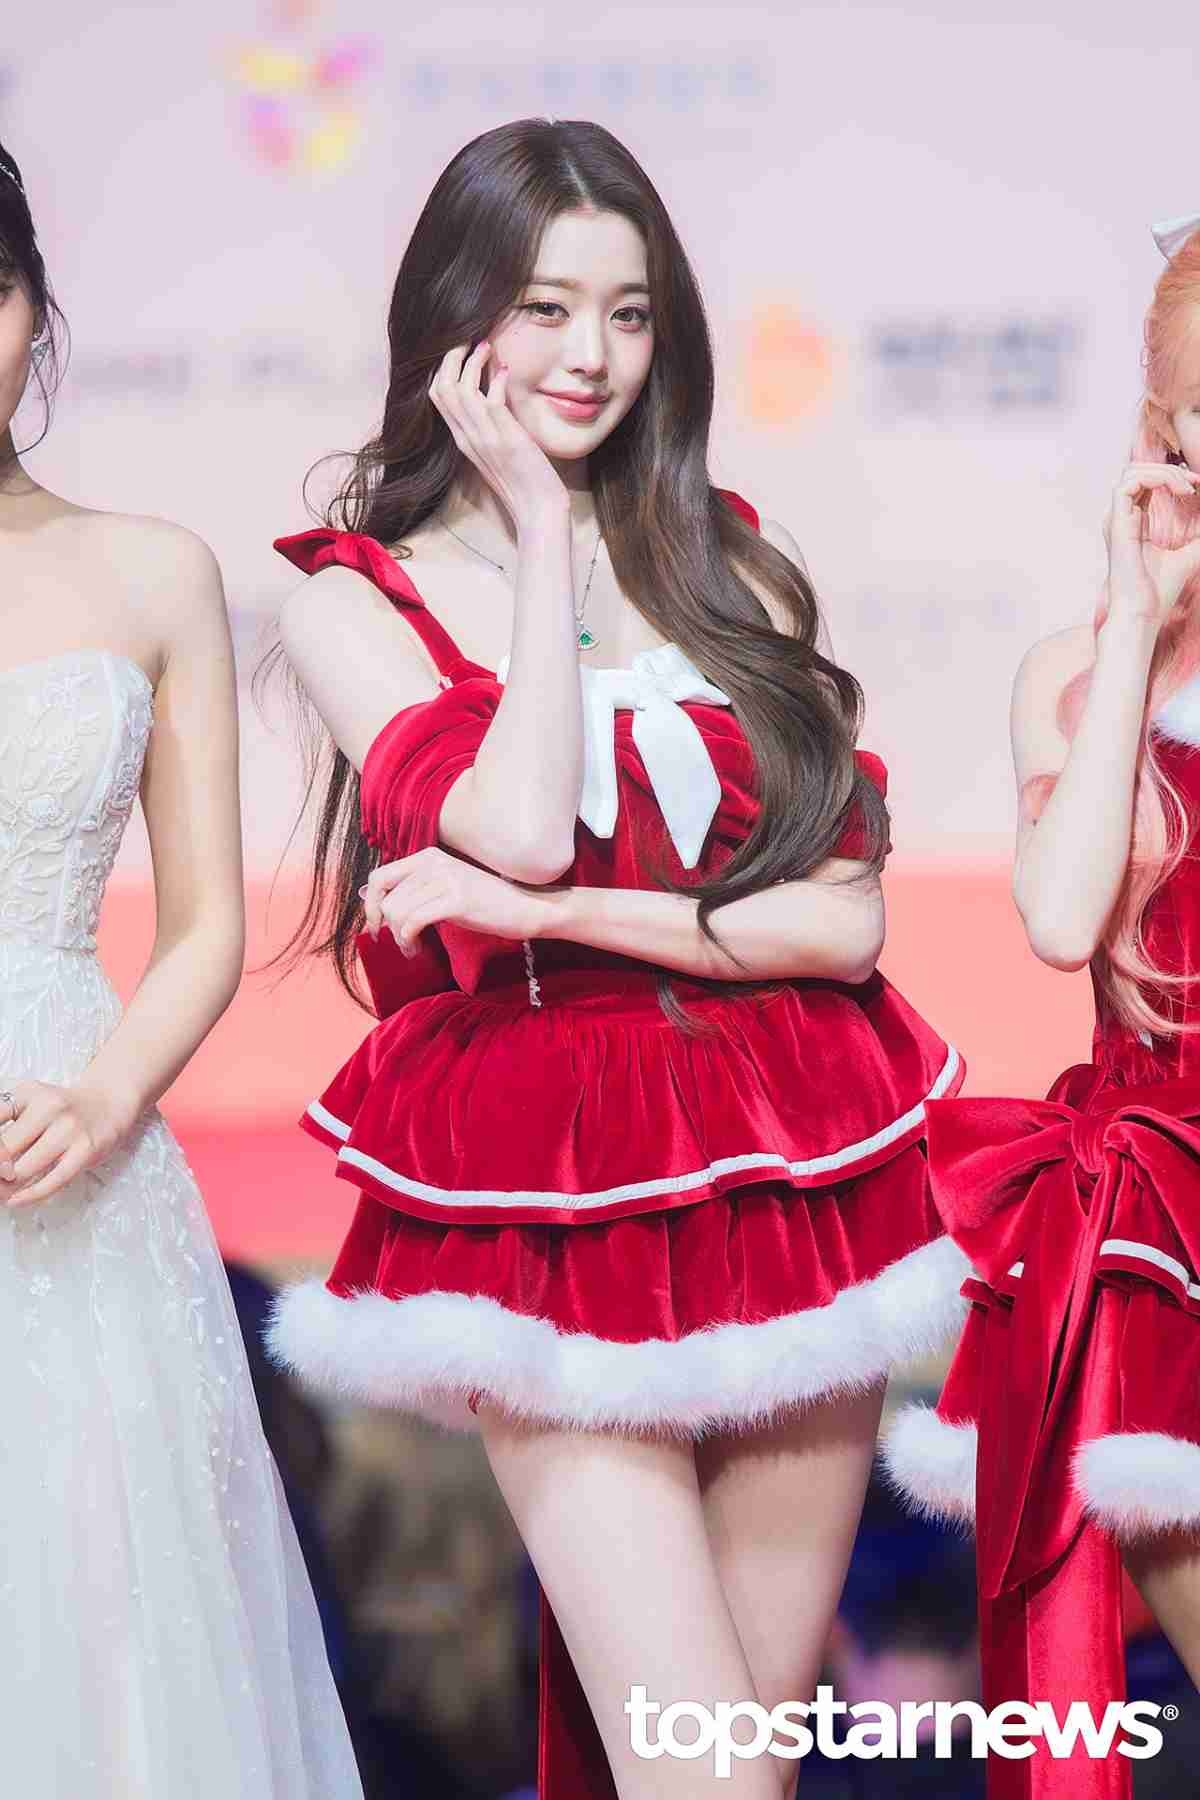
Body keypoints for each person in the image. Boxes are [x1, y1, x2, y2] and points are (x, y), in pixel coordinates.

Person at [265, 116, 965, 1798]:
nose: (592, 354)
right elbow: (513, 827)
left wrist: (567, 920)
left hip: (797, 1166)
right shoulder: (354, 601)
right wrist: (537, 530)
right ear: (457, 325)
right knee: (693, 1774)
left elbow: (843, 923)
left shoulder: (731, 566)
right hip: (548, 1191)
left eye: (630, 312)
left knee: (742, 1773)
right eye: (547, 307)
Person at [0, 143, 364, 1798]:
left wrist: (105, 1097)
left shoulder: (152, 570)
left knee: (109, 1618)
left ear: (38, 309)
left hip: (79, 1142)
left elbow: (207, 919)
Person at [883, 216, 1200, 1798]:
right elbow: (1063, 918)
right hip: (1166, 1221)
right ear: (1161, 430)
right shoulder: (1075, 677)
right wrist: (1137, 625)